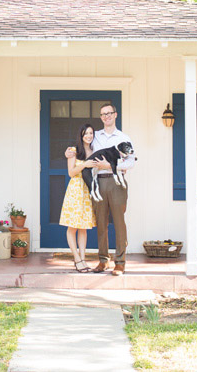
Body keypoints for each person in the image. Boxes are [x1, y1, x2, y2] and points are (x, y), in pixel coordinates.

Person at [65, 103, 134, 276]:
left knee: (119, 222)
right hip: (98, 183)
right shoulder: (94, 136)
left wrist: (109, 166)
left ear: (115, 115)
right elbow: (82, 146)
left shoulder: (123, 138)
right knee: (101, 223)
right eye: (103, 114)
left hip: (116, 184)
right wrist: (69, 153)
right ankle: (103, 260)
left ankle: (120, 263)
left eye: (109, 113)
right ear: (101, 117)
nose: (106, 116)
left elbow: (130, 162)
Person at [59, 124, 97, 272]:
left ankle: (83, 259)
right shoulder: (73, 151)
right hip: (75, 190)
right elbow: (71, 172)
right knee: (72, 226)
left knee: (83, 227)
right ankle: (76, 258)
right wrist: (85, 164)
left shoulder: (94, 151)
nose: (89, 136)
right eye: (86, 133)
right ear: (81, 135)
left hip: (87, 190)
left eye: (91, 133)